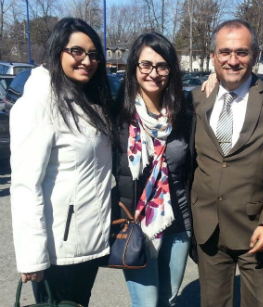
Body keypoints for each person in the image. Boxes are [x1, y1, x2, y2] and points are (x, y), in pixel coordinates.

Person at [10, 18, 115, 307]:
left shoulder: (85, 99)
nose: (87, 61)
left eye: (94, 54)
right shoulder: (38, 104)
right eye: (77, 51)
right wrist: (32, 257)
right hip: (57, 249)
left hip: (86, 243)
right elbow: (24, 185)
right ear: (58, 51)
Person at [187, 20, 263, 307]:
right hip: (209, 226)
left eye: (242, 52)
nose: (233, 60)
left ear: (255, 56)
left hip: (256, 230)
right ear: (213, 57)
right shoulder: (197, 99)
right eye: (225, 52)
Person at [112, 32, 194, 307]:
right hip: (136, 226)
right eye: (146, 65)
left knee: (167, 300)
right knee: (146, 304)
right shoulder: (118, 115)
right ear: (134, 67)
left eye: (162, 65)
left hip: (178, 222)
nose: (153, 73)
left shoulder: (184, 113)